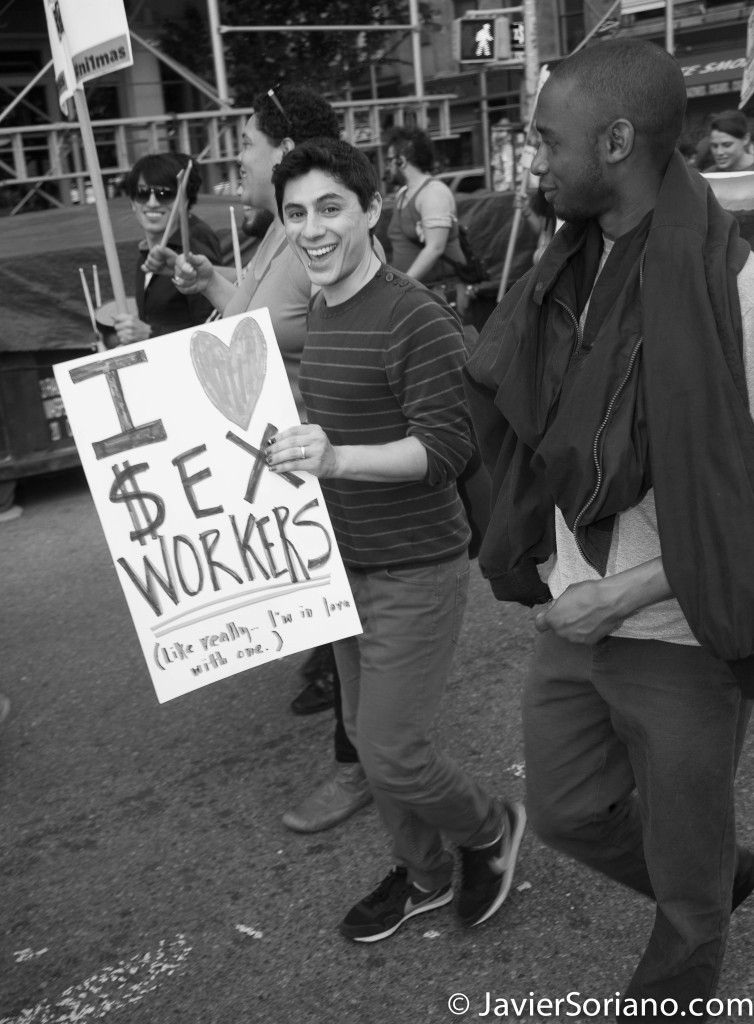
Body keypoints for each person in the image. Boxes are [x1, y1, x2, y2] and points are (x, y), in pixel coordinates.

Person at [463, 39, 754, 1021]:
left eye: (547, 141)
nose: (532, 161)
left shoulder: (735, 290)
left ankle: (685, 947)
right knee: (565, 812)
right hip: (570, 618)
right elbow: (526, 411)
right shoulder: (565, 261)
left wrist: (622, 594)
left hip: (677, 634)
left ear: (617, 139)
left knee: (684, 897)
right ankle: (721, 869)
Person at [267, 137, 525, 943]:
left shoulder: (419, 315)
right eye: (295, 213)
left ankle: (491, 829)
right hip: (339, 564)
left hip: (416, 567)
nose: (311, 229)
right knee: (369, 740)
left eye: (330, 207)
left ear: (375, 209)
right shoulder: (321, 306)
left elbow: (446, 450)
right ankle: (422, 874)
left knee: (390, 752)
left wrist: (337, 456)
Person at [157, 85, 371, 831]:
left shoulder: (318, 235)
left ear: (282, 149)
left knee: (353, 619)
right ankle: (364, 742)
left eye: (246, 142)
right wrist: (207, 282)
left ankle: (363, 764)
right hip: (288, 456)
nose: (238, 157)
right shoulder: (278, 231)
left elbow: (316, 330)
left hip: (327, 452)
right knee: (336, 615)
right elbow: (254, 318)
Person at [113, 153, 222, 344]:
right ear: (132, 202)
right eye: (143, 193)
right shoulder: (145, 258)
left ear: (184, 201)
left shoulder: (194, 256)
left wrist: (150, 334)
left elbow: (215, 332)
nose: (152, 203)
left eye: (165, 194)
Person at [384, 127, 469, 316]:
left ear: (402, 161)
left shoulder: (433, 193)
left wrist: (400, 286)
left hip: (440, 295)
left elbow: (435, 248)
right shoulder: (402, 194)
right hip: (418, 295)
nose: (387, 168)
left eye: (389, 161)